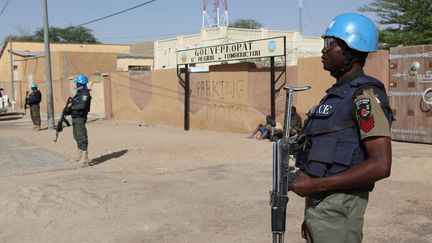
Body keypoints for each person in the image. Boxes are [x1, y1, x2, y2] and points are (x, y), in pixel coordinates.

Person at [290, 13, 394, 243]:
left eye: (330, 44)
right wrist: (313, 215)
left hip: (339, 215)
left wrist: (315, 185)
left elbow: (381, 165)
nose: (323, 50)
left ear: (350, 49)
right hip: (322, 212)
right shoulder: (335, 97)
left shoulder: (364, 97)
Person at [65, 75, 92, 168]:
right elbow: (75, 104)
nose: (76, 84)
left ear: (81, 83)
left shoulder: (85, 94)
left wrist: (71, 108)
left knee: (82, 136)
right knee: (76, 136)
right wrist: (68, 110)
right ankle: (79, 154)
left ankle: (85, 158)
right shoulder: (79, 93)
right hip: (75, 117)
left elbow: (82, 105)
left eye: (77, 83)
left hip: (80, 117)